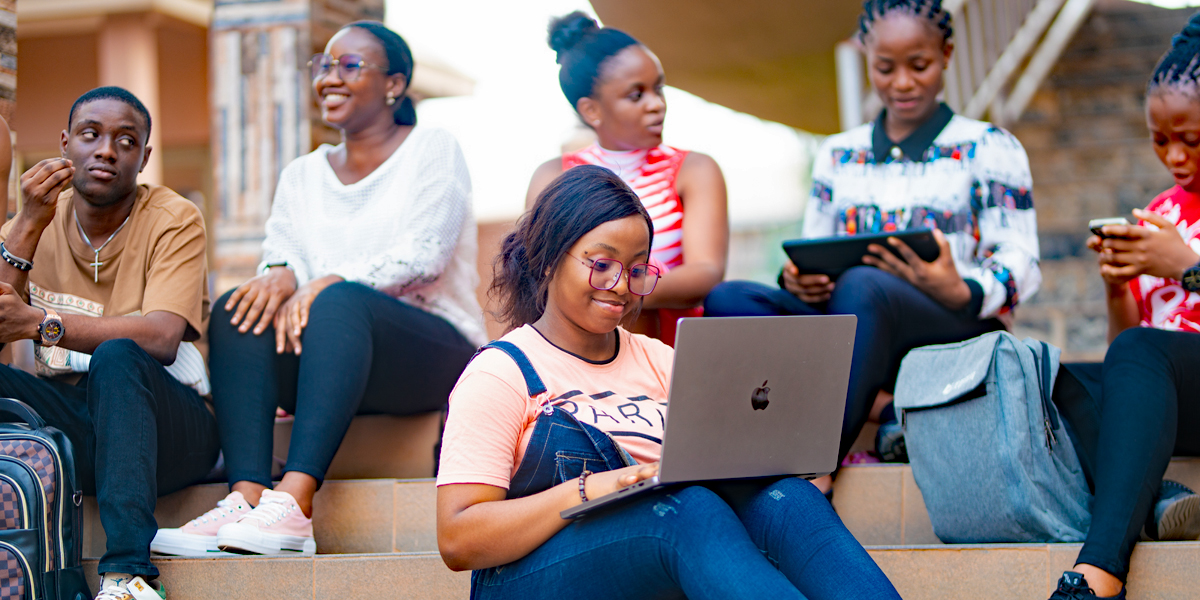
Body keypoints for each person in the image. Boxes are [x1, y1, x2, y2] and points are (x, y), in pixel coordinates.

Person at [436, 164, 901, 600]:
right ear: (547, 260)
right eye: (602, 264)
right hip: (532, 577)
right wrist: (589, 490)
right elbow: (458, 537)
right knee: (686, 509)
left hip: (664, 557)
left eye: (637, 269)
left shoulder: (663, 361)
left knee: (787, 499)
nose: (620, 285)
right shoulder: (502, 371)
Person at [153, 21, 485, 557]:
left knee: (339, 300)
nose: (329, 77)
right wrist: (281, 271)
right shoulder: (303, 175)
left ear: (394, 84)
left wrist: (328, 279)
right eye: (323, 65)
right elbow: (280, 252)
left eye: (349, 65)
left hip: (430, 350)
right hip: (331, 353)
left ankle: (295, 504)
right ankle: (246, 497)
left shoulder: (432, 149)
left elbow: (425, 255)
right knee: (240, 308)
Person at [704, 0, 1041, 487]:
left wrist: (960, 287)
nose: (902, 82)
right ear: (866, 58)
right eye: (885, 68)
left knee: (865, 284)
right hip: (858, 328)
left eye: (919, 66)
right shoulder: (839, 154)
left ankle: (815, 462)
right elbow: (816, 246)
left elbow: (1021, 260)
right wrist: (801, 282)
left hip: (951, 325)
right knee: (729, 299)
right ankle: (884, 408)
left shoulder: (990, 146)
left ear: (946, 54)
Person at [0, 86, 216, 600]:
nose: (105, 150)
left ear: (143, 157)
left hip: (171, 431)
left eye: (126, 140)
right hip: (79, 432)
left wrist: (39, 322)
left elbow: (162, 338)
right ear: (64, 143)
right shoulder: (34, 220)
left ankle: (127, 575)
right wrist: (28, 222)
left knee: (120, 355)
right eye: (90, 135)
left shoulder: (173, 218)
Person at [1046, 15, 1200, 600]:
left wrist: (1186, 265)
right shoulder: (1161, 208)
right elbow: (1125, 352)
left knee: (1141, 351)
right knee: (1044, 377)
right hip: (1167, 398)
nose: (1175, 156)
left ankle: (1101, 571)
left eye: (1192, 138)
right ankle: (1155, 498)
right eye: (1161, 140)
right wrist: (1118, 285)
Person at [525, 11, 728, 345]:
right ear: (591, 110)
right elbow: (539, 273)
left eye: (658, 89)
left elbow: (705, 273)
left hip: (674, 347)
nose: (657, 105)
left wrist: (614, 292)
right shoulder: (553, 177)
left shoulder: (695, 170)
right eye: (637, 95)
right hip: (581, 349)